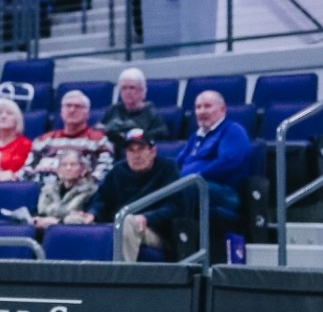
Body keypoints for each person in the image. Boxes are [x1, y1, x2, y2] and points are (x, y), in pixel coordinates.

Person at [92, 129, 184, 261]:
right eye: (131, 150)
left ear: (153, 152)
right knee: (75, 220)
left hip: (157, 232)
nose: (136, 155)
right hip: (121, 225)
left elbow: (176, 207)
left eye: (141, 149)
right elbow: (101, 200)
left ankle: (121, 273)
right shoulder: (117, 171)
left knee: (127, 221)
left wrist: (148, 217)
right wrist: (92, 213)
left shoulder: (167, 168)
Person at [178, 90, 251, 234]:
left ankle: (186, 239)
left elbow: (227, 162)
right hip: (193, 185)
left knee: (188, 188)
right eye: (198, 107)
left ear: (222, 109)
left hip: (225, 192)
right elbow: (178, 162)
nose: (201, 111)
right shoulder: (195, 137)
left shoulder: (233, 131)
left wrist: (196, 177)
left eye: (207, 106)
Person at [28, 91, 114, 181]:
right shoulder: (43, 140)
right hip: (41, 185)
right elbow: (27, 168)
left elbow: (104, 171)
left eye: (78, 106)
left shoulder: (99, 141)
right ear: (61, 112)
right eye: (68, 106)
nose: (72, 110)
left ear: (87, 114)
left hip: (80, 187)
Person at [101, 68, 169, 154]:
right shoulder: (112, 110)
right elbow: (101, 130)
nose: (127, 92)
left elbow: (162, 135)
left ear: (142, 90)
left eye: (132, 88)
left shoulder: (152, 113)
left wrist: (132, 136)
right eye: (124, 88)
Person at [33, 151, 98, 229]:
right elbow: (41, 211)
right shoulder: (48, 189)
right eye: (64, 165)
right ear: (58, 170)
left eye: (73, 164)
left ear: (83, 169)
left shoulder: (92, 191)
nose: (68, 168)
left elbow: (83, 219)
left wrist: (57, 222)